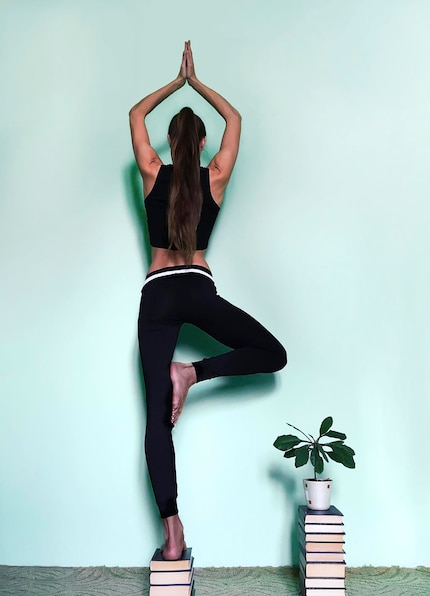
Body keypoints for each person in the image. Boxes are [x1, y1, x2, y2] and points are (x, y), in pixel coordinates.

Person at [129, 41, 287, 560]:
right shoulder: (214, 178)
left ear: (171, 141)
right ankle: (193, 373)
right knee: (273, 353)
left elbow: (135, 114)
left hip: (156, 296)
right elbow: (235, 117)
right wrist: (197, 83)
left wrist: (175, 84)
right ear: (201, 145)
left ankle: (173, 533)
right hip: (196, 288)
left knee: (156, 419)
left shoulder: (152, 170)